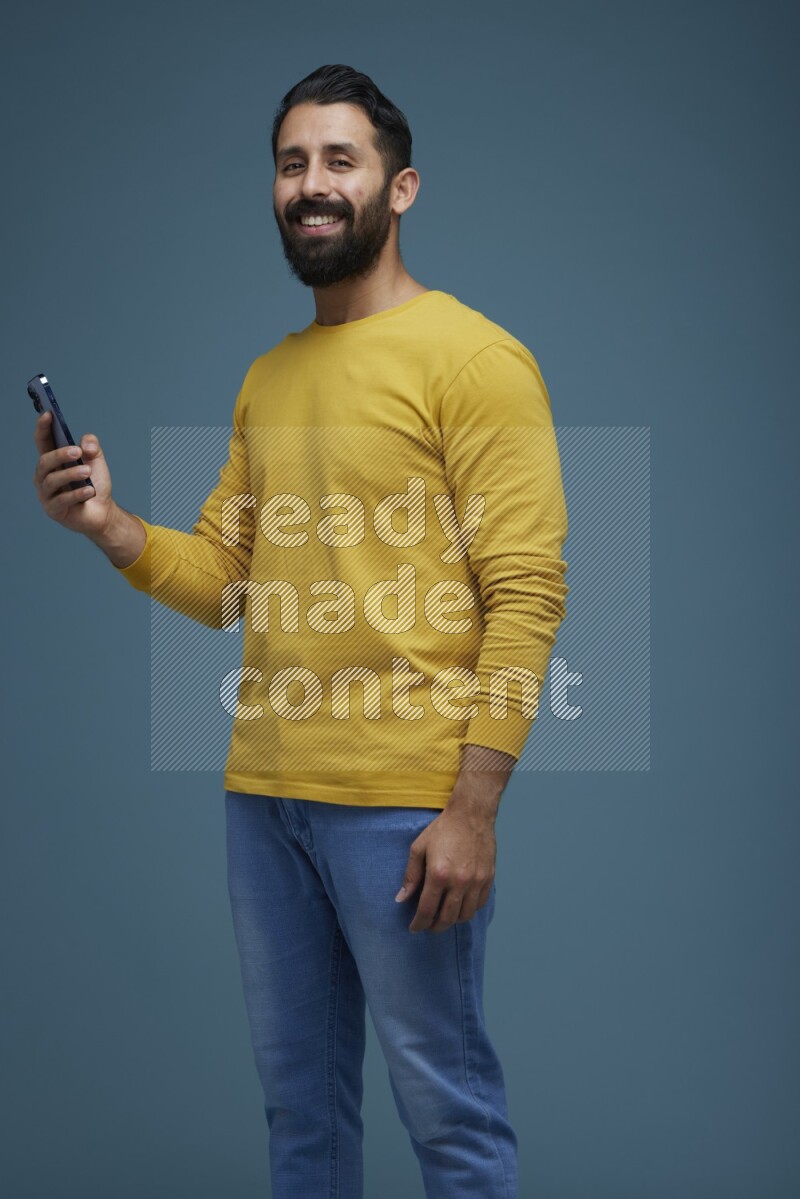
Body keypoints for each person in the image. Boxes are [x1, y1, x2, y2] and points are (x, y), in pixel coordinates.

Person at [32, 63, 569, 1199]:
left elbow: (525, 594)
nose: (311, 184)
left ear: (399, 186)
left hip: (402, 808)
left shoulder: (474, 358)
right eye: (291, 162)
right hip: (264, 797)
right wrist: (109, 525)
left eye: (339, 159)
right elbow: (228, 579)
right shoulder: (268, 377)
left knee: (447, 1111)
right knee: (301, 1118)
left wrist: (471, 807)